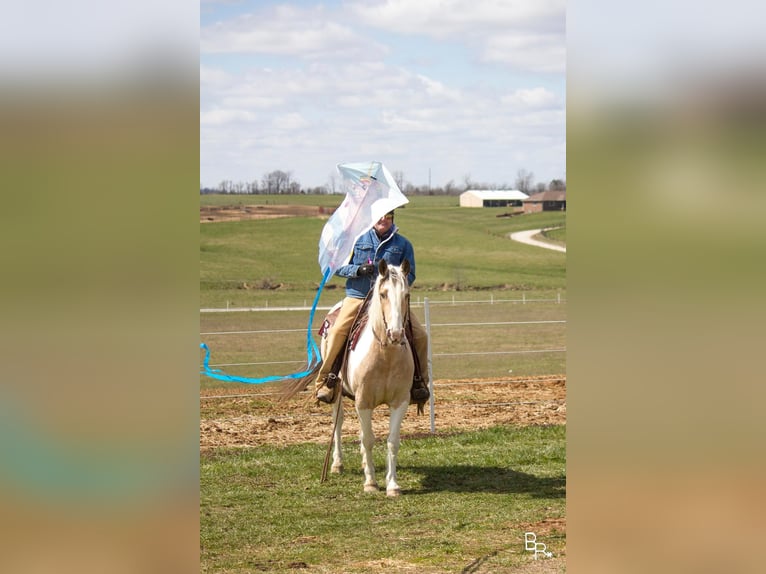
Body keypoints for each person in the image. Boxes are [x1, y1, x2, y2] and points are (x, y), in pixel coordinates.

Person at [314, 210, 430, 404]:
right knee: (337, 332)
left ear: (393, 218)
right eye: (379, 216)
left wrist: (395, 283)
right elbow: (338, 266)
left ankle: (419, 382)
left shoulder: (403, 244)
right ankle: (327, 380)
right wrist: (357, 270)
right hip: (358, 297)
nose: (383, 219)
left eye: (388, 216)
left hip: (390, 301)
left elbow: (411, 275)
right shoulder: (356, 240)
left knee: (420, 335)